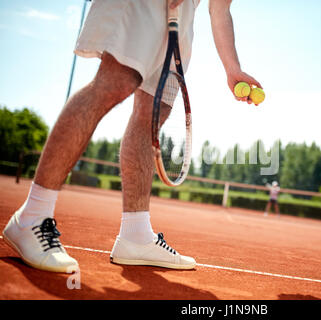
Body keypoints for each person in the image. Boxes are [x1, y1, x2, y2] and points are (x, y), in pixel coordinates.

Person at [2, 0, 262, 272]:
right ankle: (32, 216)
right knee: (115, 82)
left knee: (154, 110)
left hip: (184, 11)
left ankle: (135, 235)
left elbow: (220, 8)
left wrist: (232, 68)